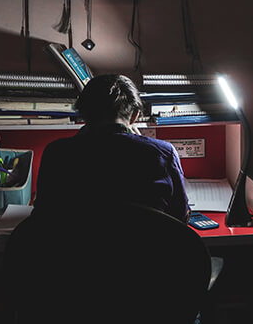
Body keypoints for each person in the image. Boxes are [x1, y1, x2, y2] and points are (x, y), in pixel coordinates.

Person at [33, 74, 190, 223]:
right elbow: (180, 216)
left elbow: (42, 213)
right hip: (145, 250)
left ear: (84, 114)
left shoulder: (57, 153)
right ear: (134, 116)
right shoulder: (162, 153)